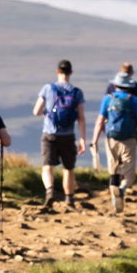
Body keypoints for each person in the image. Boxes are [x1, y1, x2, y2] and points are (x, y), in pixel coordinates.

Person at [33, 59, 87, 210]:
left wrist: (47, 113)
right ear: (71, 72)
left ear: (58, 71)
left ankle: (50, 192)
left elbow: (36, 111)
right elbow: (81, 117)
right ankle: (69, 199)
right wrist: (83, 139)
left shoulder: (48, 88)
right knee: (68, 168)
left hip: (49, 133)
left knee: (47, 166)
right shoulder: (77, 92)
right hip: (68, 135)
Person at [91, 70, 137, 213]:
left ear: (115, 85)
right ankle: (122, 189)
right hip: (129, 139)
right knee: (129, 173)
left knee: (113, 171)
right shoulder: (133, 99)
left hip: (111, 138)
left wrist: (94, 140)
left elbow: (100, 120)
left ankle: (115, 203)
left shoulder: (108, 99)